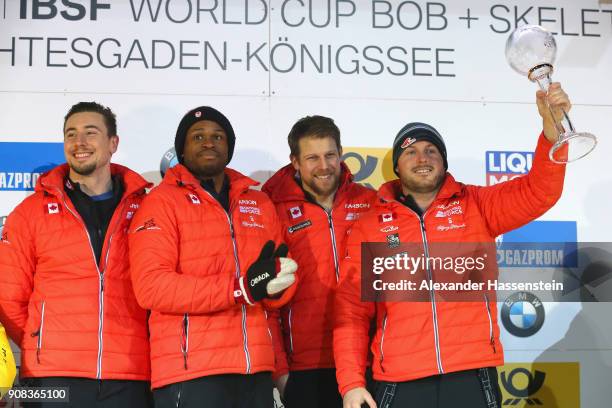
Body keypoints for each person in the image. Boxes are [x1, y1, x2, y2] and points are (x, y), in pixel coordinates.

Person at [334, 83, 572, 408]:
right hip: (400, 378)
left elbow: (539, 191)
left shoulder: (476, 204)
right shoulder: (370, 224)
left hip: (471, 374)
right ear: (396, 166)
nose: (422, 158)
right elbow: (352, 313)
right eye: (410, 151)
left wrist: (551, 132)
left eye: (431, 150)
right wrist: (351, 383)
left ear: (443, 162)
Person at [128, 106, 298, 408]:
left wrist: (279, 287)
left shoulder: (258, 202)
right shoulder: (161, 202)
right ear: (181, 149)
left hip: (255, 368)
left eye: (218, 136)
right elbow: (151, 286)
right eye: (198, 136)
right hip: (191, 372)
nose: (209, 143)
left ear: (229, 147)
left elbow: (272, 293)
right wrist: (238, 288)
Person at [0, 102, 153, 406]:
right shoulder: (30, 213)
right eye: (71, 134)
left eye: (90, 133)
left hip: (131, 374)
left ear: (113, 144)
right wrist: (40, 343)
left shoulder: (148, 210)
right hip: (50, 375)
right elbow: (8, 297)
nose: (79, 143)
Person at [262, 115, 377, 407]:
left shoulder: (370, 201)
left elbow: (394, 258)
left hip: (369, 363)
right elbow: (266, 302)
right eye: (312, 157)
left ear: (340, 154)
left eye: (330, 155)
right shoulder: (273, 211)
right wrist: (281, 374)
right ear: (295, 162)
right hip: (306, 368)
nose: (324, 166)